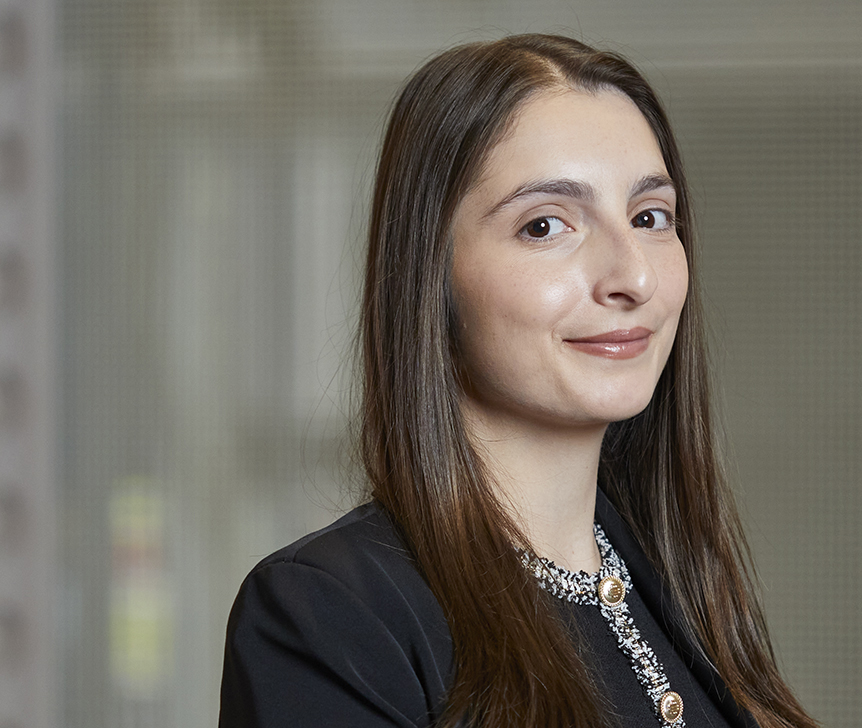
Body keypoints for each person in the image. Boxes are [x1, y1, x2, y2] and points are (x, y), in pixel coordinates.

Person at [219, 34, 818, 728]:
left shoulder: (685, 595)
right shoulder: (331, 617)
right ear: (431, 275)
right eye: (545, 226)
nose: (634, 276)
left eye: (650, 217)